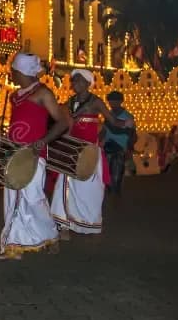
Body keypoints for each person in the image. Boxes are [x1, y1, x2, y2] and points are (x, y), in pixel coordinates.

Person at [0, 53, 69, 259]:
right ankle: (14, 245)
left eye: (14, 70)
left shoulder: (43, 93)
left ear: (22, 72)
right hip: (14, 153)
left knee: (33, 197)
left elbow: (62, 123)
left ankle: (50, 234)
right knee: (12, 197)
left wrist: (42, 142)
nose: (11, 73)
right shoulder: (15, 95)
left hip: (35, 155)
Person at [50, 69, 131, 237]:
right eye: (73, 81)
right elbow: (62, 120)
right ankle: (64, 225)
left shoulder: (96, 102)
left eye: (79, 81)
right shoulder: (69, 102)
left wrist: (126, 123)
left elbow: (113, 120)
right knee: (63, 187)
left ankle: (88, 222)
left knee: (91, 189)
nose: (75, 84)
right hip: (72, 150)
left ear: (88, 83)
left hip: (90, 152)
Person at [100, 90, 136, 195]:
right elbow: (104, 130)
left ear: (120, 101)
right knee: (107, 173)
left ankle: (116, 195)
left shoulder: (128, 116)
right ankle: (113, 194)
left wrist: (130, 148)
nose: (112, 103)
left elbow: (132, 133)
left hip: (120, 148)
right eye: (110, 101)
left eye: (114, 101)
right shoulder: (109, 115)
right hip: (108, 146)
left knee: (117, 173)